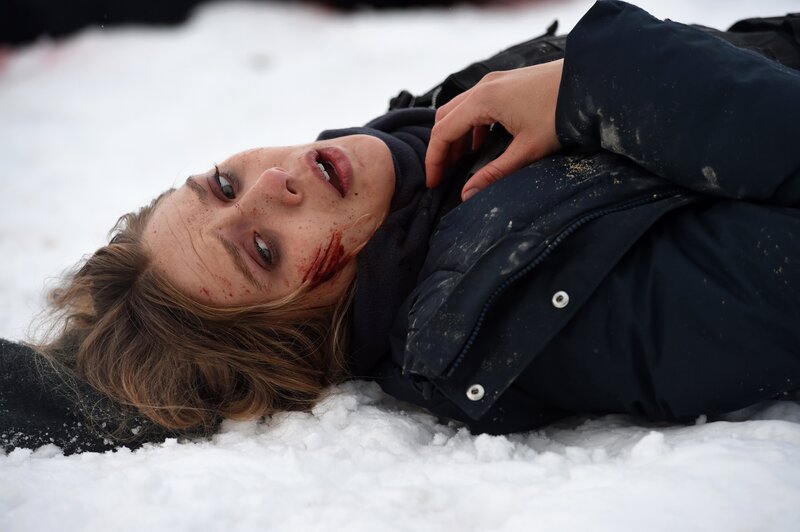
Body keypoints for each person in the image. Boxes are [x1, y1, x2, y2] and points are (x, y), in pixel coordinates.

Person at [2, 0, 799, 454]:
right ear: (308, 331)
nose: (273, 183)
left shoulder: (433, 151)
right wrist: (604, 87)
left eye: (223, 184)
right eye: (263, 250)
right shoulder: (545, 313)